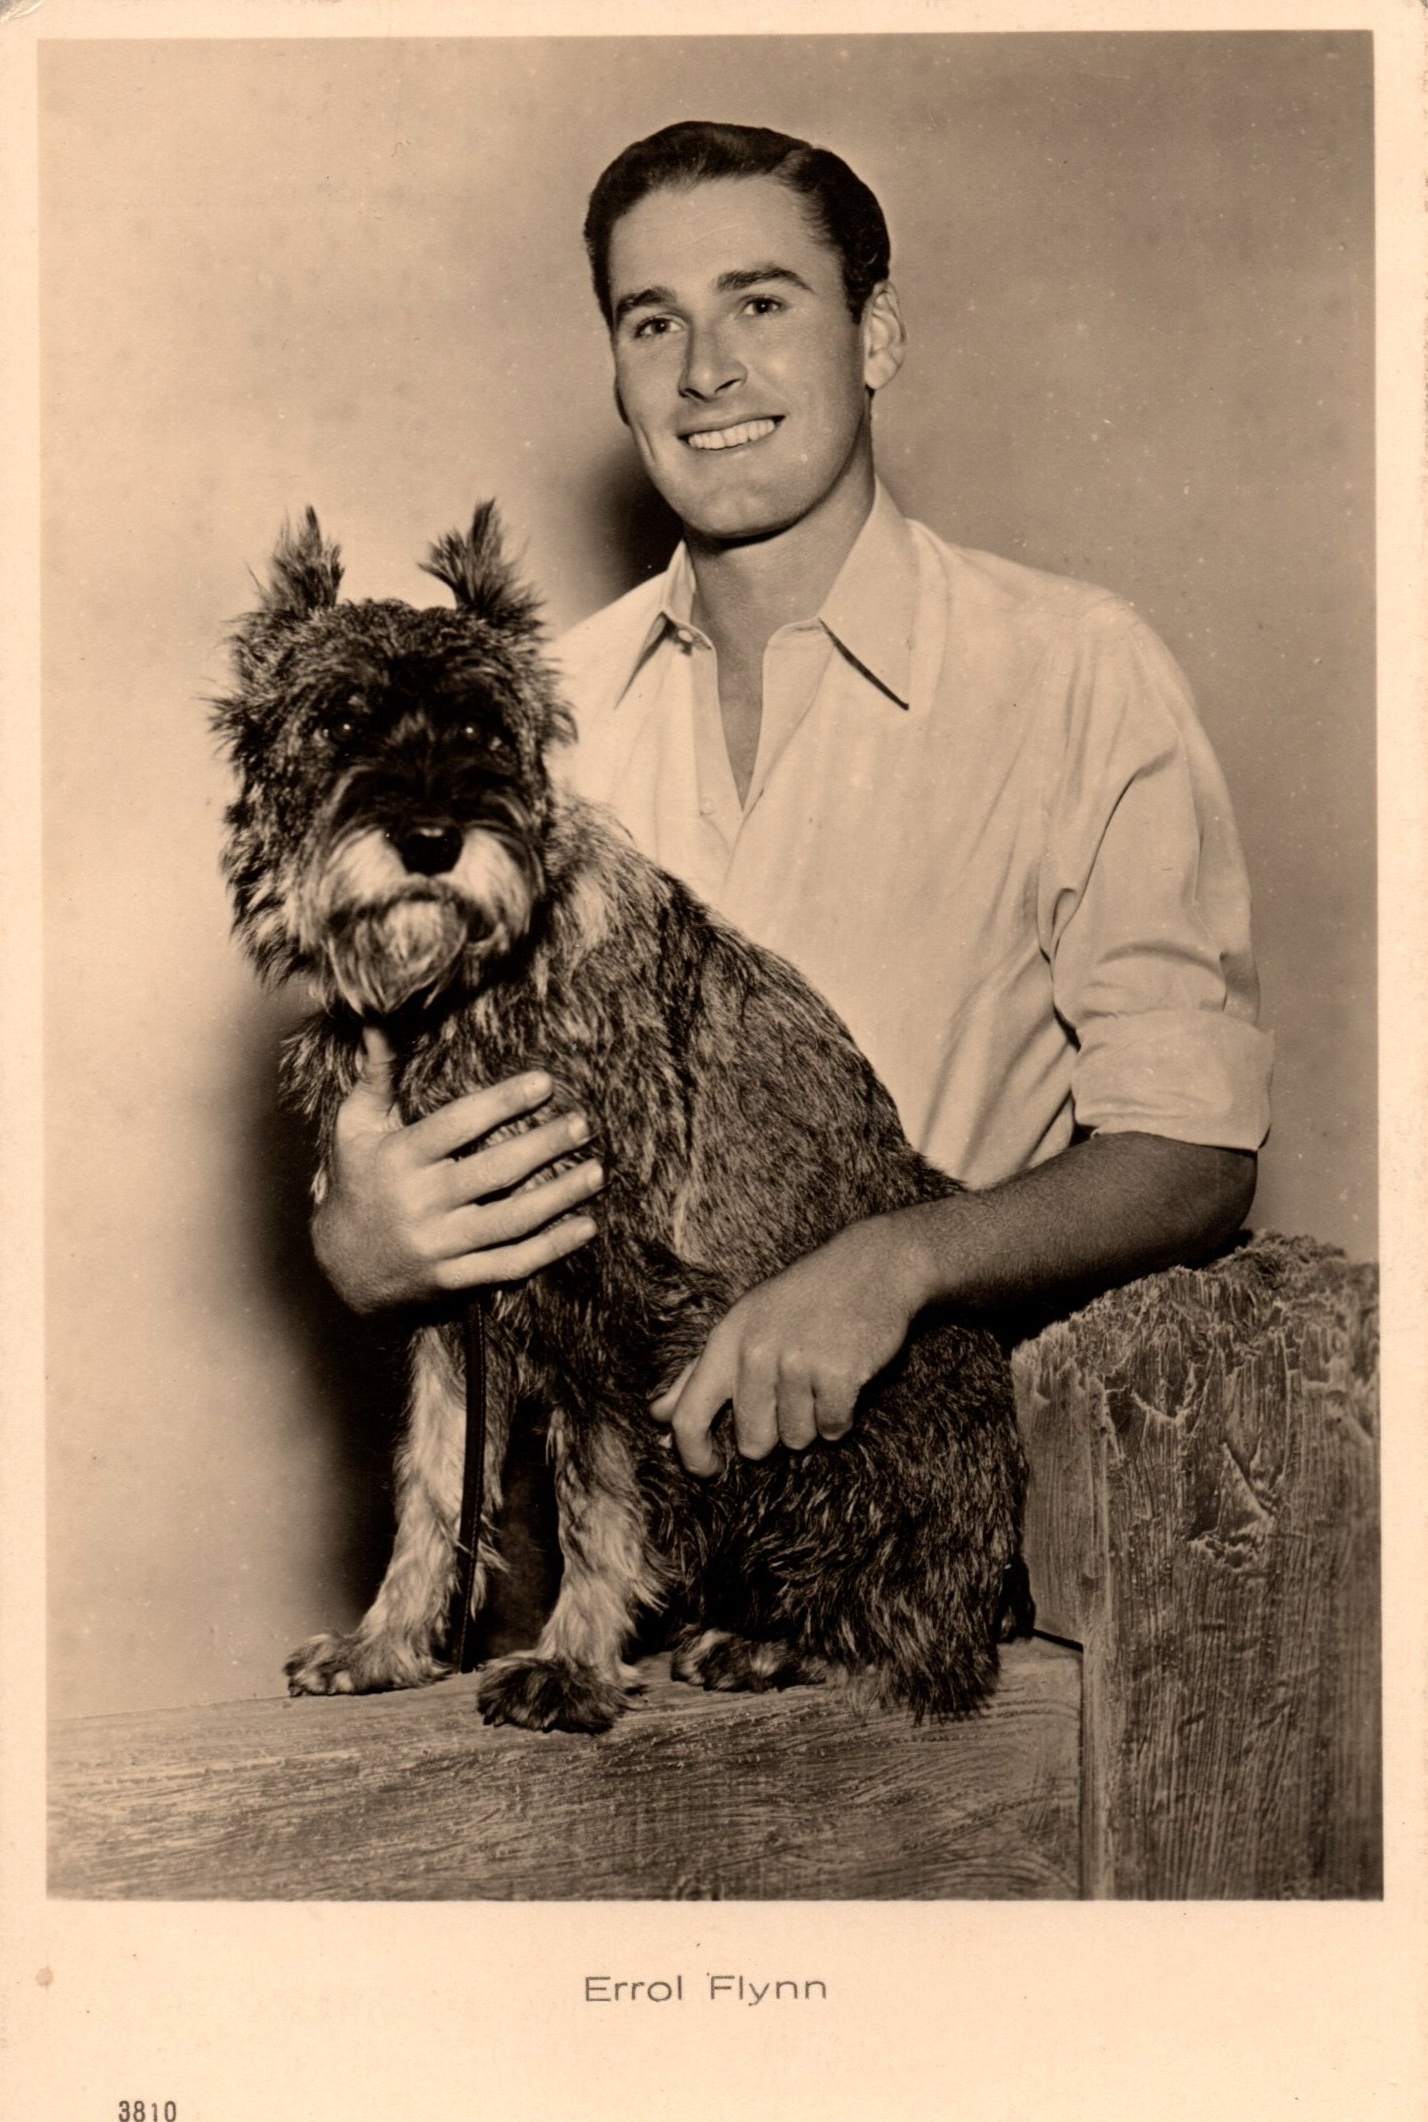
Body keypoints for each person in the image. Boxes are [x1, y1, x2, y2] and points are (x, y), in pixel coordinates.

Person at [312, 121, 1271, 1480]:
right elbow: (405, 1093)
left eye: (761, 304)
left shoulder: (1075, 671)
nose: (706, 371)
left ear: (876, 336)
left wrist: (898, 1263)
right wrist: (359, 1240)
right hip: (595, 1535)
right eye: (654, 322)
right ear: (617, 372)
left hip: (924, 1505)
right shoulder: (532, 720)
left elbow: (1194, 1149)